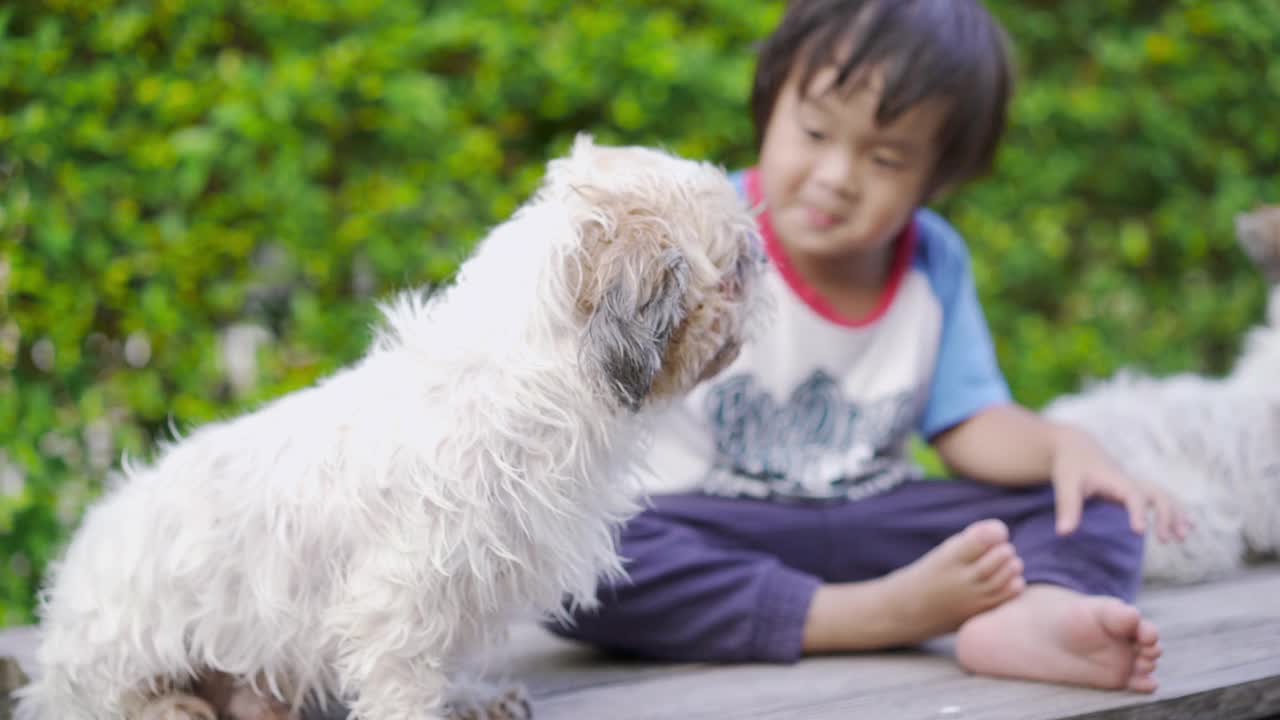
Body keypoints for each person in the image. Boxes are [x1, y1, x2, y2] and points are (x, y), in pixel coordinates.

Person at [548, 0, 1191, 693]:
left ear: (936, 179)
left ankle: (1038, 613)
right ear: (771, 105)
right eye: (816, 130)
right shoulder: (705, 232)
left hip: (873, 518)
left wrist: (1065, 447)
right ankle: (870, 616)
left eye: (886, 158)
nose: (836, 175)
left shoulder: (932, 260)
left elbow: (969, 424)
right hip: (709, 522)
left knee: (1100, 503)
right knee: (585, 554)